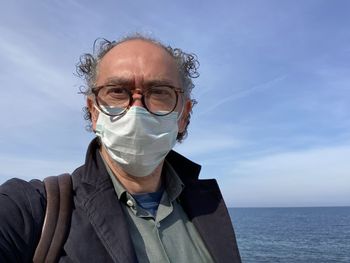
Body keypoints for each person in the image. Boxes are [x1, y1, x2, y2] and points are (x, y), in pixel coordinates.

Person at [0, 35, 241, 262]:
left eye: (159, 92)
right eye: (117, 91)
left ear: (183, 115)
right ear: (94, 112)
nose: (137, 109)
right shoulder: (33, 208)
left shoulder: (207, 205)